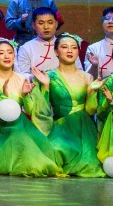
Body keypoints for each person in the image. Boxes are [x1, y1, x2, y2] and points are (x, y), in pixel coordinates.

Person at [0, 39, 60, 177]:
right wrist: (1, 98)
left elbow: (29, 110)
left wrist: (25, 95)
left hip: (20, 123)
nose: (6, 56)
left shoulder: (22, 78)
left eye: (10, 52)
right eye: (1, 53)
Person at [36, 34, 104, 177]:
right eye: (64, 47)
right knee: (55, 154)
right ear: (56, 51)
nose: (70, 51)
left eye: (74, 48)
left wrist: (92, 91)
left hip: (84, 129)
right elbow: (42, 110)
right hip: (60, 128)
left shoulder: (87, 77)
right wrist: (46, 87)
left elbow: (90, 110)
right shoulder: (49, 76)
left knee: (88, 162)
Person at [15, 9, 63, 78]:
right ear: (34, 25)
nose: (46, 27)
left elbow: (76, 71)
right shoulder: (26, 48)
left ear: (56, 24)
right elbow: (22, 76)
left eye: (50, 23)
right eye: (41, 23)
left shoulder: (66, 46)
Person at [85, 7, 113, 79]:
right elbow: (88, 79)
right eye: (107, 18)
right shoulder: (93, 48)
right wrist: (94, 65)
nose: (110, 21)